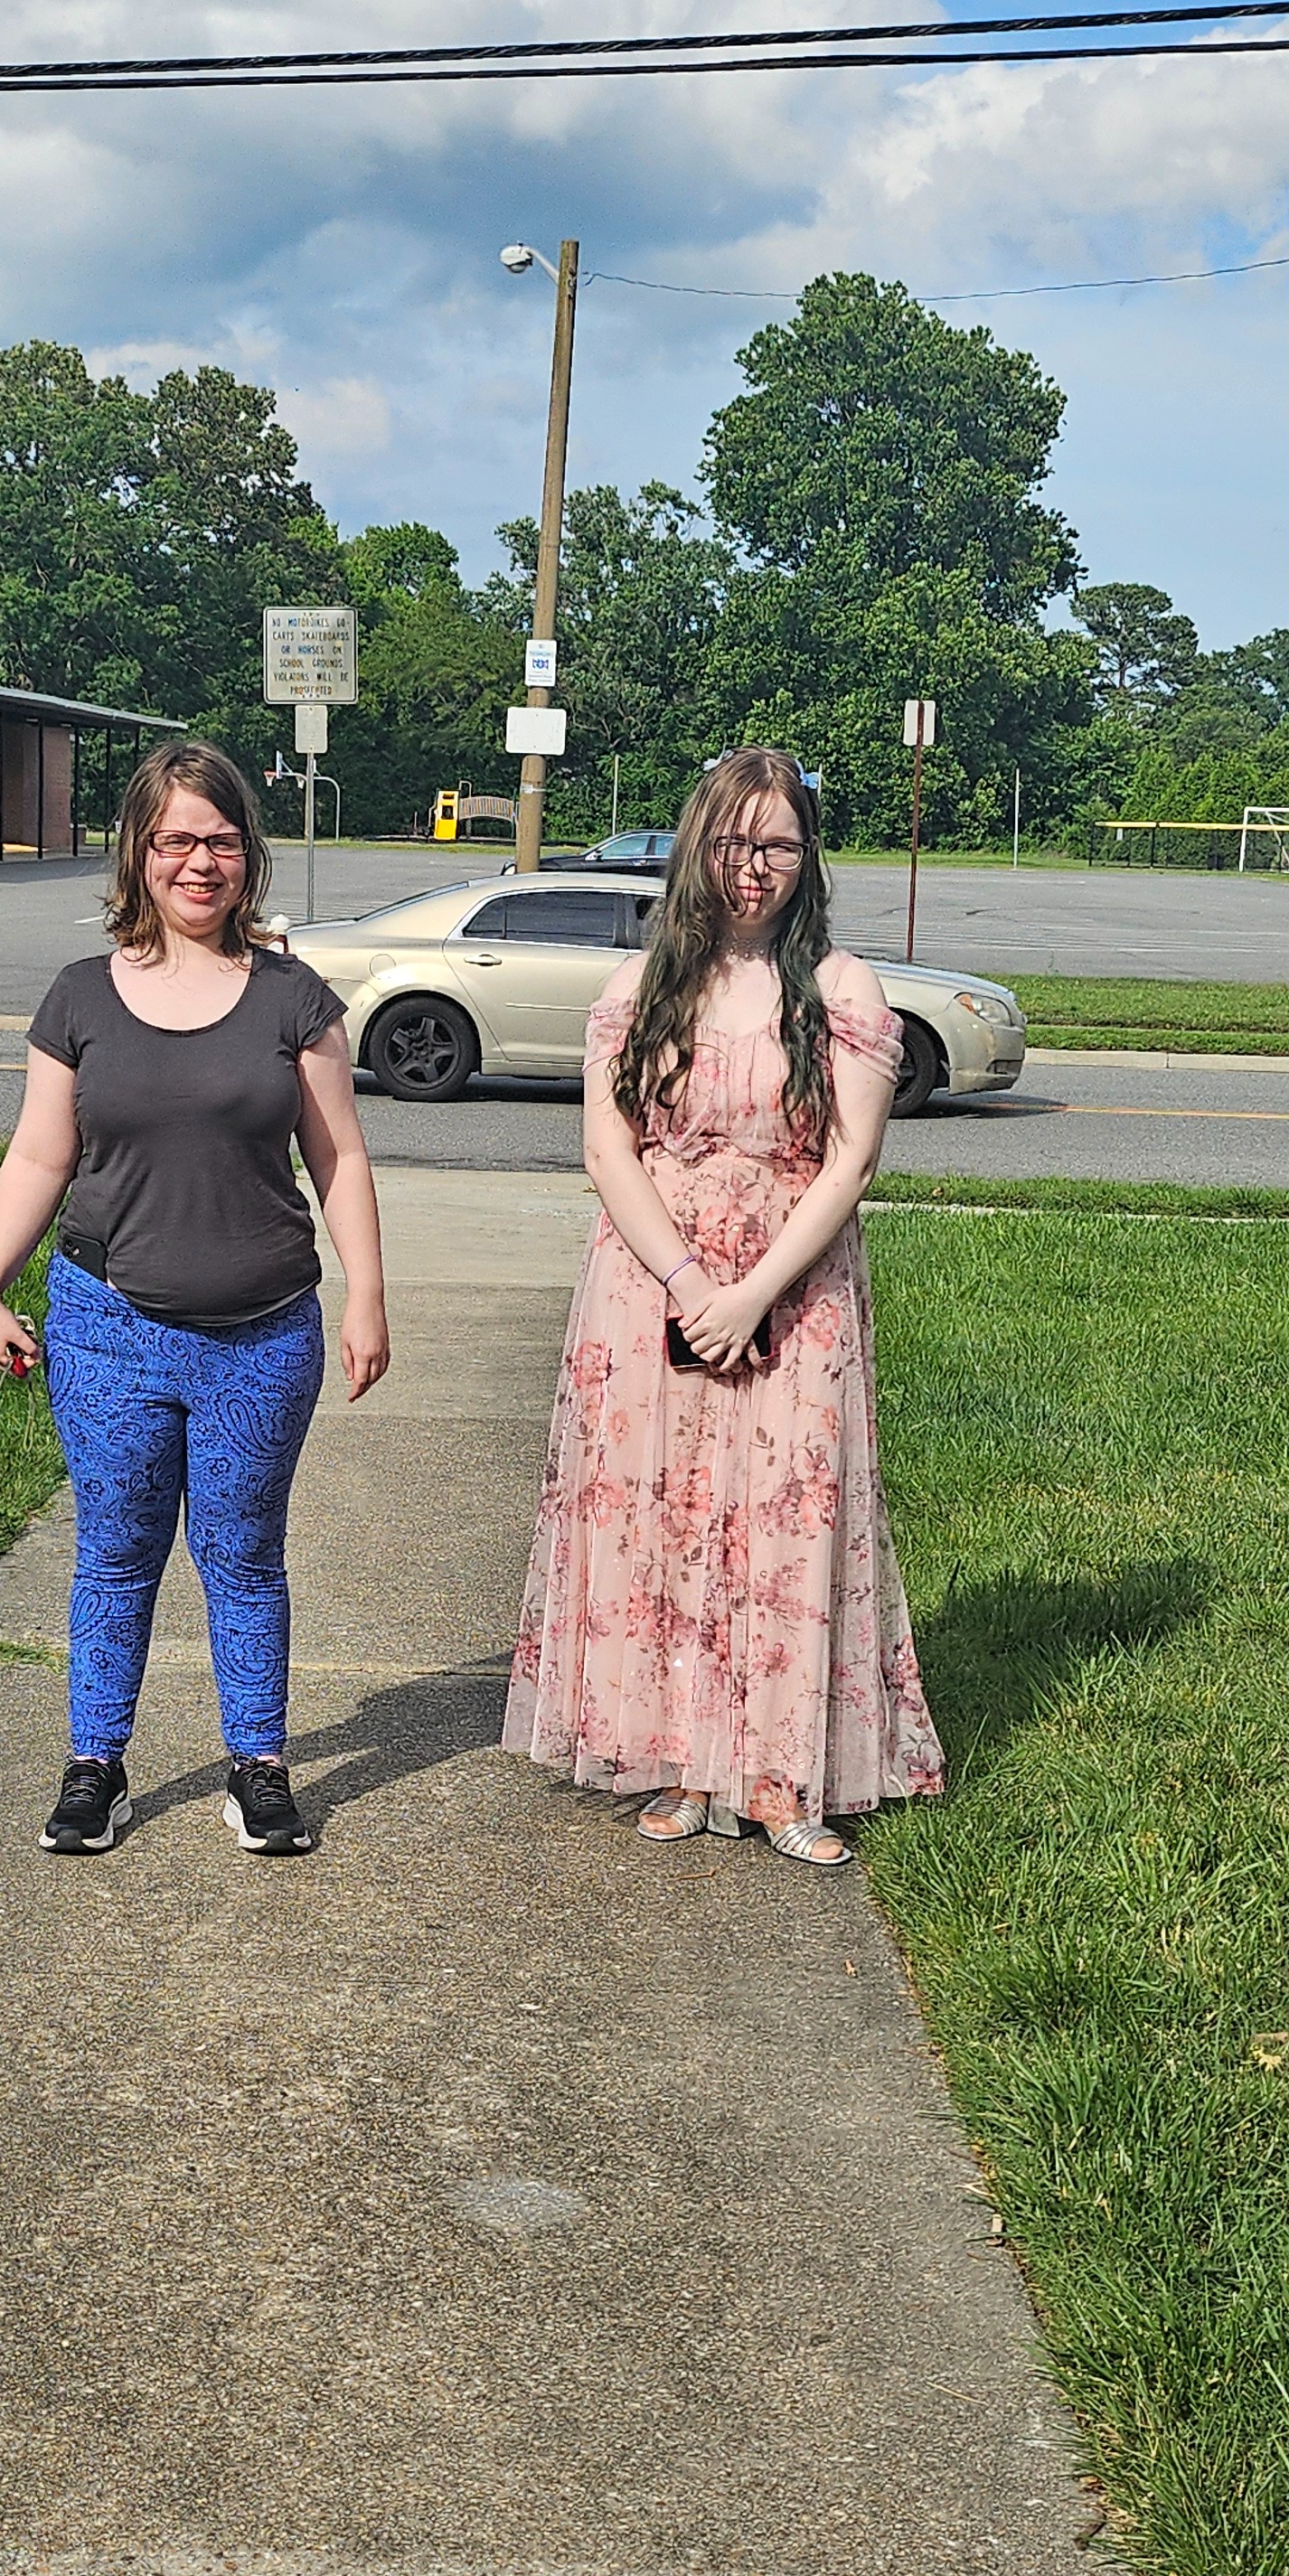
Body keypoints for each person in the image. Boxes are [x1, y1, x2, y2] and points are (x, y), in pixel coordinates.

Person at [503, 746, 944, 1861]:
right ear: (698, 846)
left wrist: (751, 1294)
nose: (755, 866)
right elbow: (607, 1149)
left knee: (786, 1521)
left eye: (779, 845)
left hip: (794, 1288)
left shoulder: (843, 990)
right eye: (736, 842)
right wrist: (693, 1284)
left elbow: (849, 1163)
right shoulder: (637, 990)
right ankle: (681, 1763)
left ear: (808, 856)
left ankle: (781, 1777)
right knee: (660, 1515)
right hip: (648, 1284)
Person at [0, 738, 390, 1857]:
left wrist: (367, 1295)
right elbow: (39, 1155)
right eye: (175, 841)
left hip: (263, 1332)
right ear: (139, 852)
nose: (199, 863)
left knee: (244, 1555)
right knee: (116, 1551)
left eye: (221, 841)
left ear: (248, 854)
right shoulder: (79, 996)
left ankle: (260, 1765)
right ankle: (94, 1767)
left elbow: (340, 1156)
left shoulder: (296, 999)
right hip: (108, 1326)